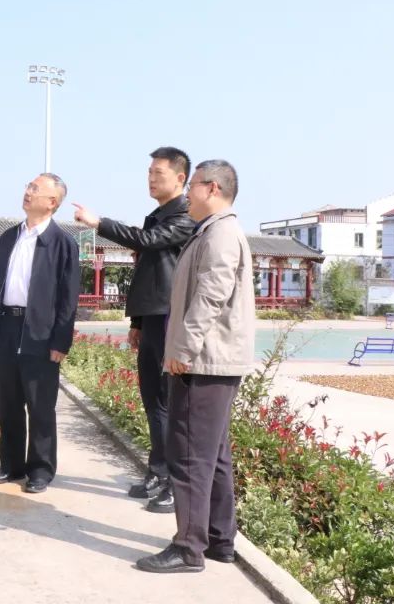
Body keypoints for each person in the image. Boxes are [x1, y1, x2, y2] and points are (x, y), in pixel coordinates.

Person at [136, 160, 255, 574]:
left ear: (213, 188)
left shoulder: (220, 233)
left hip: (204, 361)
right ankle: (220, 540)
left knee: (188, 457)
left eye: (194, 186)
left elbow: (211, 296)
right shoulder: (214, 230)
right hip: (214, 360)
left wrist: (183, 348)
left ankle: (188, 548)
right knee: (213, 455)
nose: (188, 194)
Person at [72, 147, 195, 513]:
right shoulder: (159, 214)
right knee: (153, 399)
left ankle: (175, 483)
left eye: (158, 173)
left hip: (170, 318)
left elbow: (147, 242)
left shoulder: (185, 215)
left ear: (180, 178)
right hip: (153, 317)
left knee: (170, 403)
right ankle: (157, 471)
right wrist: (138, 322)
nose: (151, 179)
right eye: (149, 173)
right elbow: (151, 270)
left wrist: (99, 223)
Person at [0, 173, 80, 494]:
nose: (27, 192)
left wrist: (61, 341)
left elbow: (68, 298)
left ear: (52, 202)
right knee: (8, 400)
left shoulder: (62, 243)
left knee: (40, 404)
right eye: (28, 186)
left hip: (41, 332)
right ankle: (11, 464)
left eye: (35, 189)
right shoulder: (10, 236)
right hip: (8, 326)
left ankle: (40, 469)